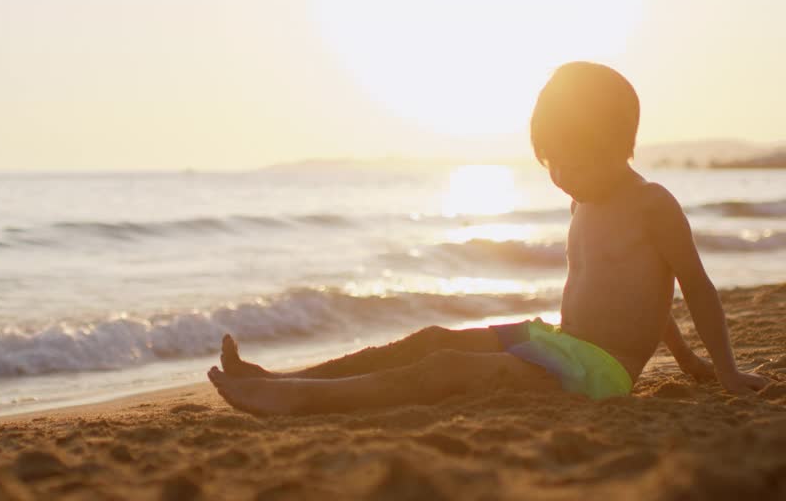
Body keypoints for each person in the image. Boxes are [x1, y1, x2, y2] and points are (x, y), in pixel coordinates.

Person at [208, 61, 769, 415]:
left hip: (598, 372)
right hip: (557, 342)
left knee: (445, 368)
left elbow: (692, 287)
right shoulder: (585, 200)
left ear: (613, 143)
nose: (558, 177)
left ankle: (298, 401)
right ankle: (282, 377)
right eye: (549, 163)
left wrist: (721, 370)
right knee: (431, 338)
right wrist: (684, 359)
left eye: (566, 161)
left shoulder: (652, 204)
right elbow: (646, 296)